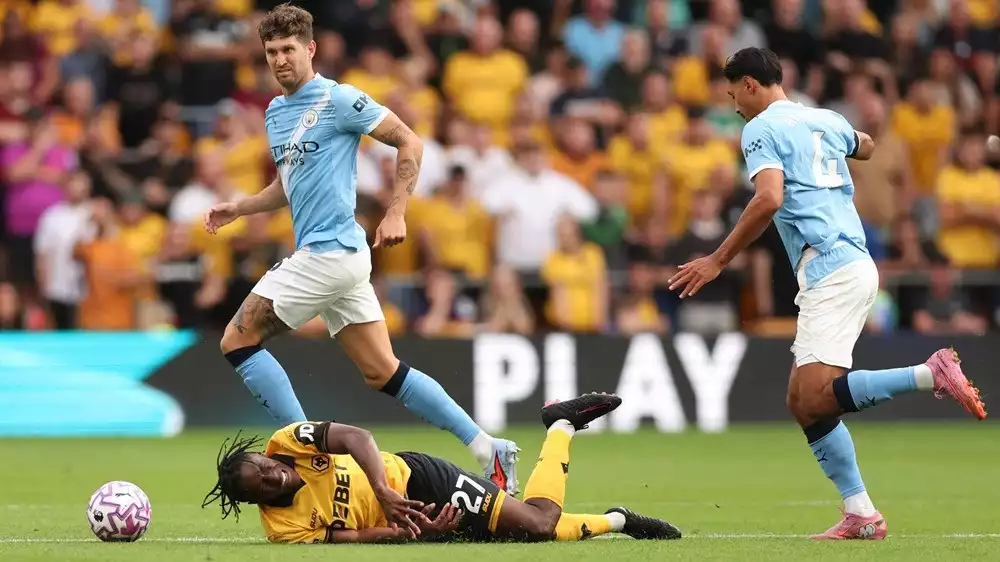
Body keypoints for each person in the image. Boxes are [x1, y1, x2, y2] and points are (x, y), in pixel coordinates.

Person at [667, 47, 987, 541]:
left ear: (751, 85)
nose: (734, 107)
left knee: (814, 396)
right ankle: (861, 513)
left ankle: (929, 373)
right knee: (802, 400)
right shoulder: (825, 118)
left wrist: (717, 260)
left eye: (734, 94)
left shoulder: (760, 129)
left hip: (831, 267)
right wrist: (847, 139)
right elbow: (868, 144)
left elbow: (769, 197)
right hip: (851, 263)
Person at [202, 3, 519, 497]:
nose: (280, 60)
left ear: (310, 49)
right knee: (382, 371)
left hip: (330, 254)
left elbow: (409, 141)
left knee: (237, 340)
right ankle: (487, 447)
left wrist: (396, 211)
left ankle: (308, 457)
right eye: (271, 52)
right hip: (340, 262)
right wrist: (240, 208)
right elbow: (288, 184)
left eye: (289, 49)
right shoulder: (275, 112)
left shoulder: (339, 99)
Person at [202, 393, 681, 543]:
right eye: (263, 485)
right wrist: (413, 532)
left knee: (538, 521)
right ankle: (620, 521)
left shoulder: (289, 443)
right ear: (256, 502)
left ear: (265, 455)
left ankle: (560, 427)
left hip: (417, 478)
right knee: (524, 536)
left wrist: (384, 491)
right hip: (412, 519)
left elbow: (356, 438)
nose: (275, 475)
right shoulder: (282, 529)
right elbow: (350, 539)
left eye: (264, 467)